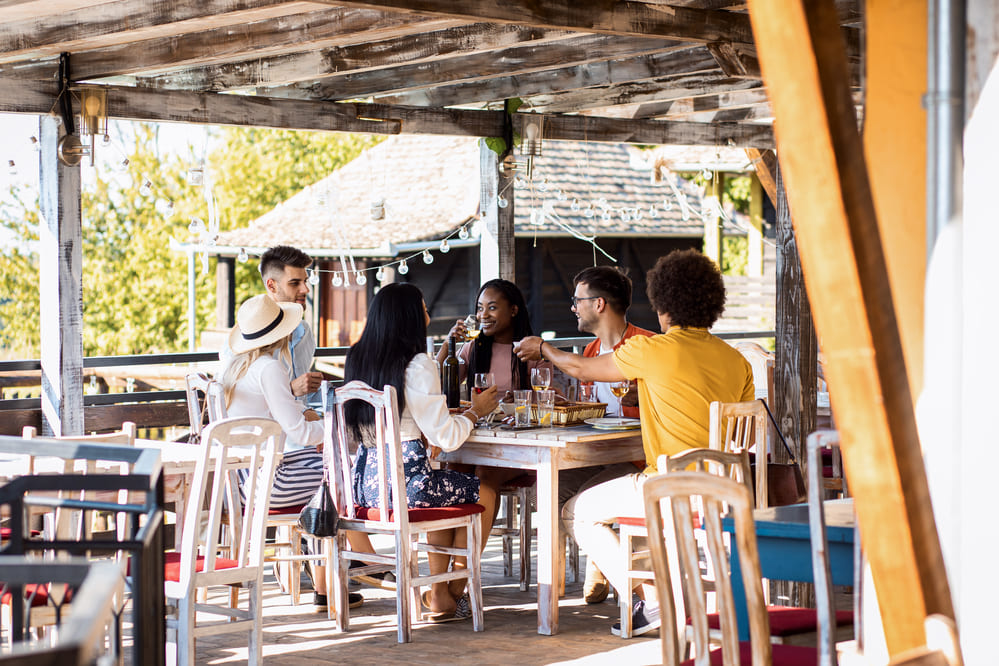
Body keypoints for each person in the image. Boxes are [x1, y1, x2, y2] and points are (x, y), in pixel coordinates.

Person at [515, 249, 754, 636]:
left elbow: (580, 368)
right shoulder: (736, 360)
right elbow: (741, 435)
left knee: (575, 512)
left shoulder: (652, 349)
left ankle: (652, 601)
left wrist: (543, 348)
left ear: (663, 305)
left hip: (668, 486)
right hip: (723, 490)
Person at [344, 283, 499, 620]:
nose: (428, 315)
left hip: (365, 487)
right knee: (486, 493)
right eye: (425, 309)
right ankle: (452, 591)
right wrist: (477, 411)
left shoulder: (357, 358)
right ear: (411, 316)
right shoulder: (417, 364)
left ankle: (441, 592)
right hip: (409, 488)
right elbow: (447, 437)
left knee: (447, 490)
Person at [220, 294, 363, 612]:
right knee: (339, 475)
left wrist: (310, 419)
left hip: (240, 482)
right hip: (268, 484)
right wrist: (336, 425)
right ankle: (346, 573)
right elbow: (299, 433)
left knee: (327, 469)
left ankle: (329, 584)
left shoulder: (234, 368)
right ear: (282, 332)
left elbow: (277, 414)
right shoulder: (269, 368)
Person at [437, 279, 555, 550]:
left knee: (484, 476)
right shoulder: (473, 348)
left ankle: (467, 564)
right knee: (452, 474)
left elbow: (550, 397)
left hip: (516, 447)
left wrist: (523, 400)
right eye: (480, 308)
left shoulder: (531, 350)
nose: (483, 315)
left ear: (513, 310)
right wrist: (449, 344)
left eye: (492, 307)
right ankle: (452, 564)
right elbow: (441, 384)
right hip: (475, 442)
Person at [563, 266, 655, 605]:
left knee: (576, 505)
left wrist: (643, 397)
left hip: (638, 460)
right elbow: (592, 408)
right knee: (551, 488)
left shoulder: (647, 346)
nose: (573, 307)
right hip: (597, 453)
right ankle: (601, 558)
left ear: (599, 304)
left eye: (577, 300)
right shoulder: (589, 352)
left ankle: (643, 595)